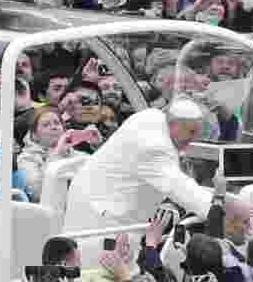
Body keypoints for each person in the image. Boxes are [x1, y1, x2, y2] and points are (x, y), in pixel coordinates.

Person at [63, 99, 212, 263]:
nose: (193, 139)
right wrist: (220, 210)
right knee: (100, 276)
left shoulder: (152, 116)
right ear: (174, 124)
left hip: (101, 206)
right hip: (102, 220)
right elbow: (181, 188)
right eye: (191, 132)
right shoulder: (155, 147)